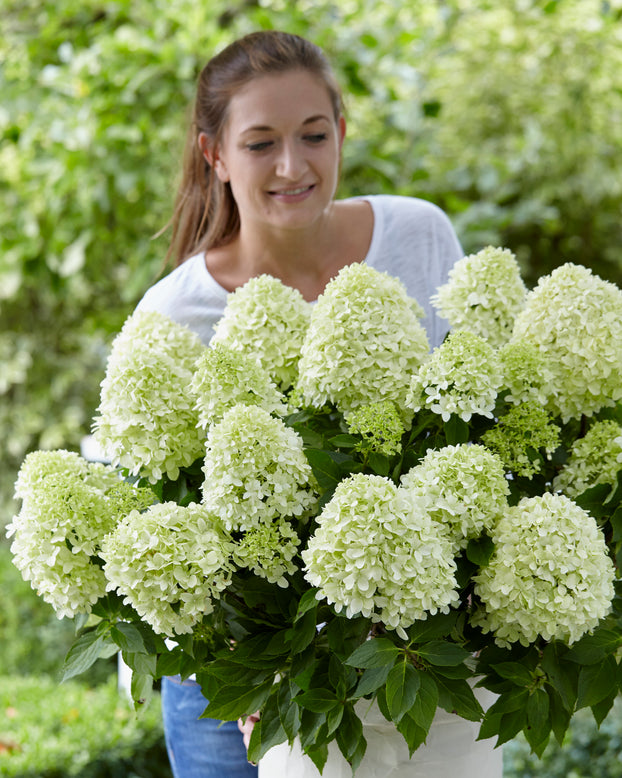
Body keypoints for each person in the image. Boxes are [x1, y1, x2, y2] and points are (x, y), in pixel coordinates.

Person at [135, 29, 501, 778]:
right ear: (215, 154)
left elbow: (486, 419)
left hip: (403, 657)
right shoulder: (175, 315)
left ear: (341, 128)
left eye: (313, 135)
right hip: (235, 674)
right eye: (261, 143)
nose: (292, 166)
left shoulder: (419, 237)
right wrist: (234, 658)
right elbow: (141, 501)